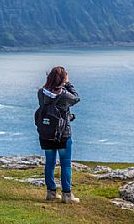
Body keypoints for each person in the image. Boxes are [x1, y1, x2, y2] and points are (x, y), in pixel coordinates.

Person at [37, 66, 80, 203]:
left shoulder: (41, 93)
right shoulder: (64, 95)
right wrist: (68, 83)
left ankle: (51, 193)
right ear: (62, 79)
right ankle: (67, 195)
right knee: (65, 164)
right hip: (63, 134)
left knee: (49, 163)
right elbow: (76, 98)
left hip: (46, 133)